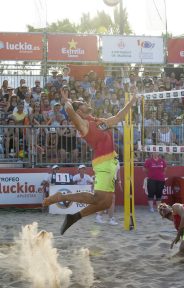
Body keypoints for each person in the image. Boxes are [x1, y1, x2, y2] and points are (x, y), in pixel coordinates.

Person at [43, 87, 136, 235]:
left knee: (105, 202)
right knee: (97, 198)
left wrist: (131, 102)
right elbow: (70, 112)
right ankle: (61, 197)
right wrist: (67, 100)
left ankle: (74, 217)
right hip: (103, 162)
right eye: (82, 103)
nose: (86, 102)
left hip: (111, 162)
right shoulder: (83, 124)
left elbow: (118, 118)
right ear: (79, 110)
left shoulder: (98, 121)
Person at [95, 159, 122, 225]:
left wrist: (119, 182)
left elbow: (118, 172)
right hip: (106, 180)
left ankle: (99, 216)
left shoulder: (116, 161)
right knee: (111, 199)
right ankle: (110, 219)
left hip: (112, 181)